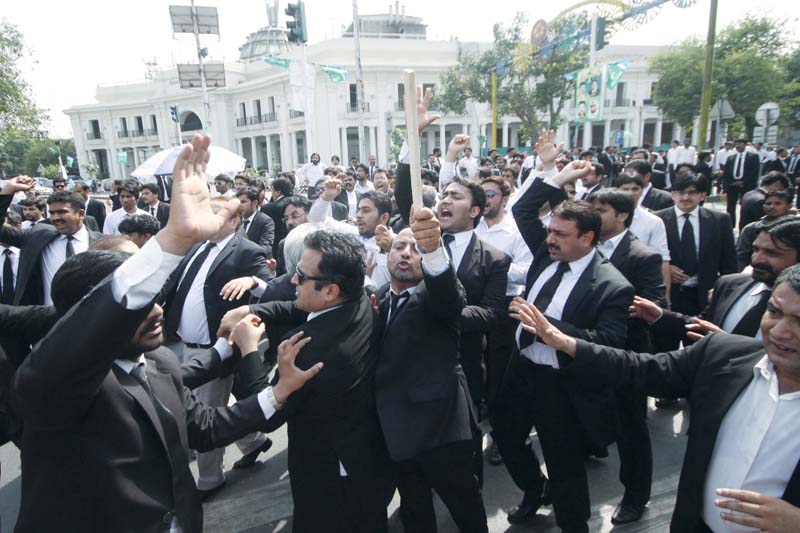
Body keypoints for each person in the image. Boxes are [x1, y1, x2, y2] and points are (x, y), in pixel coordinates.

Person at [11, 134, 322, 532]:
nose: (156, 309)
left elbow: (205, 427)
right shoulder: (51, 383)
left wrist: (277, 392)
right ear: (92, 315)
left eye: (154, 295)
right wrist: (171, 241)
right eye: (140, 301)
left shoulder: (156, 361)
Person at [513, 263, 800, 533]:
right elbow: (641, 368)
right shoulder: (725, 355)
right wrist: (567, 343)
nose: (779, 331)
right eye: (774, 312)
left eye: (799, 320)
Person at [493, 130, 634, 532]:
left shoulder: (612, 284)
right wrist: (551, 172)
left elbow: (609, 344)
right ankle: (535, 490)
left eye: (560, 234)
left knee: (563, 460)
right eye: (550, 231)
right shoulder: (546, 251)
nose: (549, 239)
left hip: (562, 382)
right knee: (504, 435)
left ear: (587, 239)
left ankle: (574, 523)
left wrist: (550, 328)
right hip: (520, 368)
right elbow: (523, 212)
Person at [218, 230, 393, 532]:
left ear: (330, 291)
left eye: (301, 275)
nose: (293, 281)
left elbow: (268, 412)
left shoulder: (306, 350)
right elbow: (300, 308)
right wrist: (252, 309)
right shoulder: (360, 302)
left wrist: (249, 349)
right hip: (366, 459)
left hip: (329, 478)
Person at [374, 209, 489, 533]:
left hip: (441, 432)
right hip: (396, 433)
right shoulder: (380, 297)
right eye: (399, 247)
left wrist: (433, 250)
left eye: (416, 249)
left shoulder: (437, 299)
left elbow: (449, 296)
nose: (406, 254)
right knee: (415, 510)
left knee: (465, 506)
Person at [163, 196, 273, 496]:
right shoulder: (197, 247)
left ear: (235, 221)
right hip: (181, 344)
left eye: (215, 214)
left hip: (217, 349)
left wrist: (253, 281)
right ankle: (254, 441)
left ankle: (209, 479)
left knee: (202, 415)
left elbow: (270, 289)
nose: (206, 219)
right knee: (214, 402)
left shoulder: (248, 251)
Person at [590, 188, 666, 524]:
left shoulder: (642, 255)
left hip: (627, 353)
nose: (594, 214)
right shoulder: (583, 246)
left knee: (631, 428)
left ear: (622, 215)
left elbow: (653, 305)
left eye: (601, 209)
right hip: (588, 349)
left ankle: (635, 496)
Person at [635, 217, 800, 344]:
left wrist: (726, 344)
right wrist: (661, 316)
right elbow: (702, 328)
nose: (756, 260)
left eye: (772, 253)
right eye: (756, 250)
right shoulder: (729, 285)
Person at [475, 176, 532, 465]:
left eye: (491, 194)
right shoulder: (473, 226)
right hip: (475, 301)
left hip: (505, 306)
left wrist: (491, 271)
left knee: (500, 373)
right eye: (481, 194)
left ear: (505, 199)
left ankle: (501, 435)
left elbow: (527, 269)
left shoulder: (515, 231)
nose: (486, 199)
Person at [0, 180, 102, 305]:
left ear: (81, 214)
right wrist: (8, 190)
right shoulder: (37, 238)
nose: (55, 218)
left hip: (90, 320)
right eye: (52, 213)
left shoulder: (102, 243)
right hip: (47, 320)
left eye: (61, 212)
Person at [655, 173, 737, 325]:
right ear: (673, 195)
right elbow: (648, 258)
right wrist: (666, 268)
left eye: (692, 192)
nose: (685, 197)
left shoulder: (720, 221)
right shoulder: (657, 220)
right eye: (680, 192)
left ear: (702, 195)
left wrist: (726, 292)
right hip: (669, 295)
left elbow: (729, 262)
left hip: (705, 296)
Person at [737, 190, 795, 269]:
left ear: (789, 206)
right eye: (768, 204)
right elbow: (742, 257)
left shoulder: (795, 229)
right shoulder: (751, 229)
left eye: (778, 204)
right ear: (764, 207)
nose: (772, 207)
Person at [722, 138, 761, 227]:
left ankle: (743, 226)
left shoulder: (753, 157)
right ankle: (730, 225)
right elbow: (726, 173)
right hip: (732, 186)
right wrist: (732, 183)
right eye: (736, 144)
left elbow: (754, 172)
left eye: (740, 143)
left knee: (745, 207)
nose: (738, 145)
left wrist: (743, 181)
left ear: (745, 145)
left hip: (746, 186)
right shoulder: (731, 158)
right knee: (730, 207)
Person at [237, 187, 275, 258]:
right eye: (238, 202)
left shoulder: (265, 221)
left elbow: (266, 247)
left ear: (254, 203)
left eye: (243, 202)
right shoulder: (235, 221)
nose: (240, 205)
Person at [261, 176, 294, 246]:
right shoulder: (301, 201)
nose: (271, 193)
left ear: (278, 191)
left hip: (278, 244)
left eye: (272, 190)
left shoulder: (268, 208)